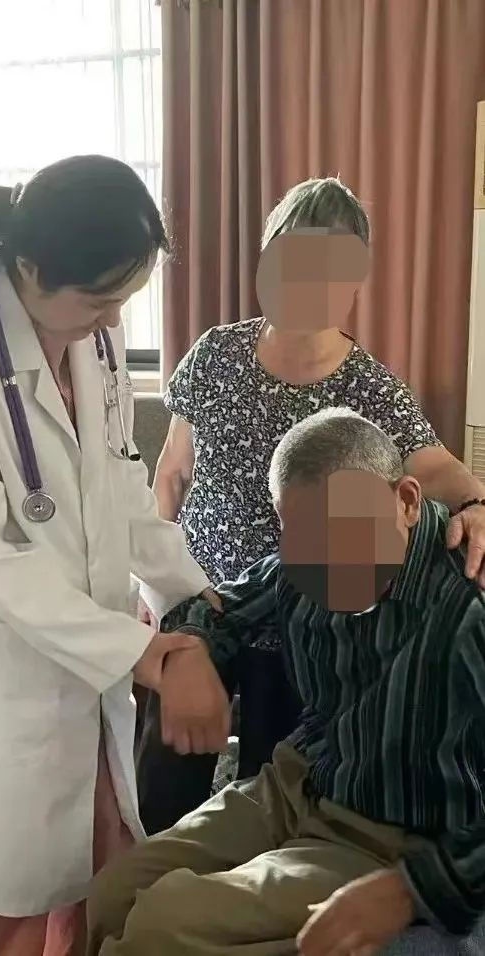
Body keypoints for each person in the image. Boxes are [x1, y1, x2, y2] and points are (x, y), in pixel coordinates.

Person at [0, 156, 219, 956]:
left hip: (87, 665)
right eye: (100, 300)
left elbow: (121, 486)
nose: (112, 321)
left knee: (97, 875)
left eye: (124, 301)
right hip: (4, 681)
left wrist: (201, 598)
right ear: (31, 269)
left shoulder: (93, 339)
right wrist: (144, 653)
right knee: (3, 908)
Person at [138, 177, 485, 833]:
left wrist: (476, 502)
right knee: (164, 777)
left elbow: (435, 467)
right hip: (201, 599)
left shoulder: (372, 388)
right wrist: (152, 589)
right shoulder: (216, 354)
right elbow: (172, 474)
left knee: (269, 793)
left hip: (293, 617)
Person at [88, 408, 485, 956]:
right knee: (113, 892)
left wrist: (412, 888)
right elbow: (218, 608)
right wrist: (191, 653)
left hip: (392, 833)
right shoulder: (302, 565)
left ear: (407, 501)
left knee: (164, 924)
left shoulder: (468, 605)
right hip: (297, 784)